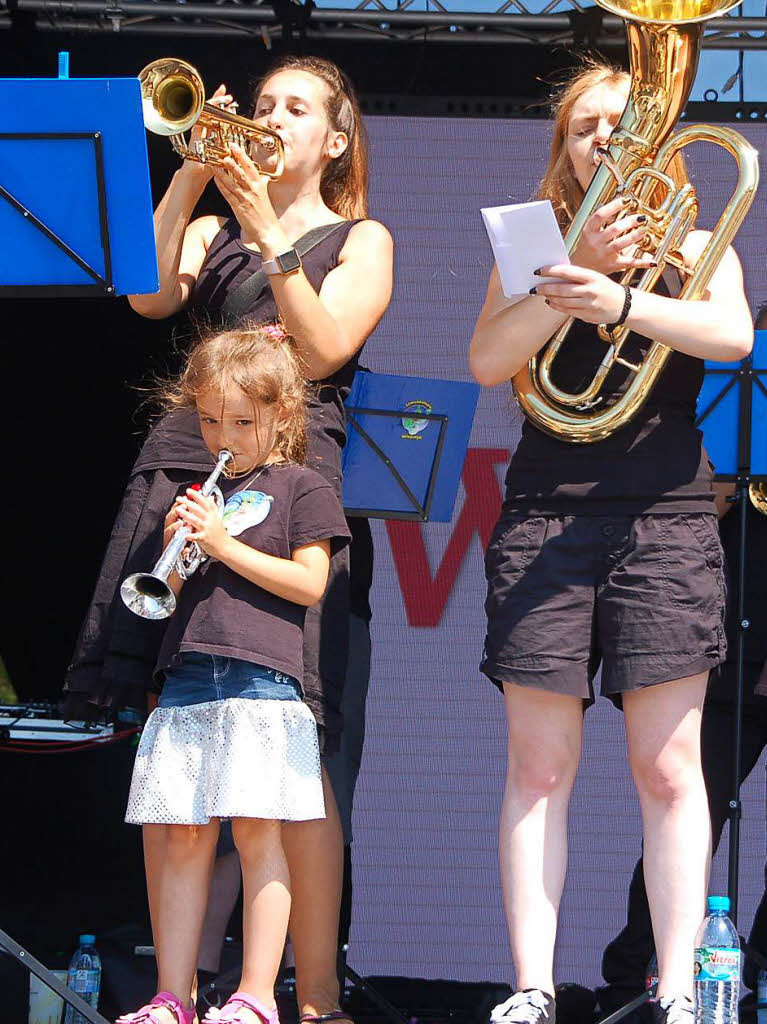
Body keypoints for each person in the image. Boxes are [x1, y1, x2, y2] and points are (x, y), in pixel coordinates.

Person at [63, 55, 393, 1024]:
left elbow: (326, 347)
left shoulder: (357, 236)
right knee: (190, 729)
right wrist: (195, 173)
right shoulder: (211, 230)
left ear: (334, 138)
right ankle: (184, 989)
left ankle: (312, 998)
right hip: (189, 465)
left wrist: (273, 232)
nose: (272, 118)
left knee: (299, 753)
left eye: (297, 109)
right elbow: (145, 296)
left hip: (292, 474)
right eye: (262, 106)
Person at [468, 61, 753, 1024]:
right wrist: (570, 269)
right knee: (538, 766)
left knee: (670, 768)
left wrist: (625, 301)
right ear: (563, 148)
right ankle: (531, 989)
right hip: (546, 512)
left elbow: (732, 337)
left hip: (666, 519)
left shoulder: (701, 241)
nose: (603, 138)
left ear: (661, 145)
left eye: (621, 124)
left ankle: (676, 989)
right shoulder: (531, 239)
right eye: (584, 126)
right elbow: (484, 362)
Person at [116, 324, 350, 1024]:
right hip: (189, 671)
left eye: (242, 422)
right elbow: (173, 594)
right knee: (184, 833)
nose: (224, 436)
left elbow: (310, 585)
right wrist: (179, 551)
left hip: (262, 681)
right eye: (211, 419)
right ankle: (171, 994)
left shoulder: (301, 488)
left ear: (282, 415)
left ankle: (252, 995)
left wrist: (221, 543)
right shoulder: (198, 493)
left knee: (258, 832)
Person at [598, 309, 767, 1024]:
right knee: (688, 800)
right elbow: (702, 495)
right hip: (738, 624)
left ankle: (751, 971)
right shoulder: (738, 377)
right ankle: (645, 969)